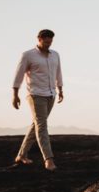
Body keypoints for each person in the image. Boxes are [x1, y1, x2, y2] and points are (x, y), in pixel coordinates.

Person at [12, 29, 64, 171]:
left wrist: (60, 89)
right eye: (46, 41)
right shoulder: (28, 55)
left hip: (50, 94)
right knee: (42, 126)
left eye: (50, 41)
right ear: (39, 39)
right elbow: (19, 75)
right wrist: (15, 94)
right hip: (35, 95)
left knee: (37, 125)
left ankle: (21, 155)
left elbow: (58, 72)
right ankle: (48, 159)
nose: (48, 44)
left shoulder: (55, 55)